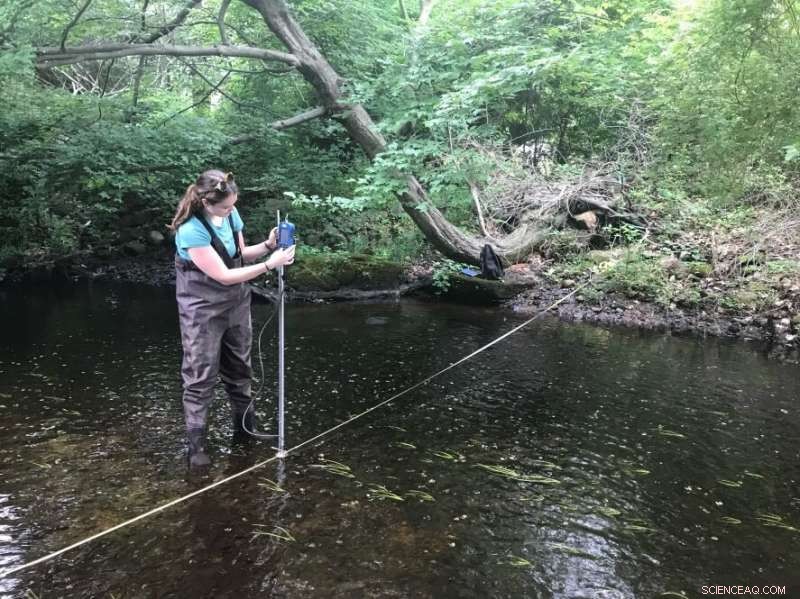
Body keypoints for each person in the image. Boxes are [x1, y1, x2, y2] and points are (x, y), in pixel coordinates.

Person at [168, 169, 295, 468]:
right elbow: (223, 275)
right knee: (200, 376)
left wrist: (268, 246)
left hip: (236, 304)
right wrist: (269, 265)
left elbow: (238, 254)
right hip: (201, 309)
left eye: (232, 206)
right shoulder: (191, 231)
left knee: (240, 369)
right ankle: (196, 446)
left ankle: (245, 429)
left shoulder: (231, 213)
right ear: (205, 202)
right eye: (224, 208)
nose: (229, 212)